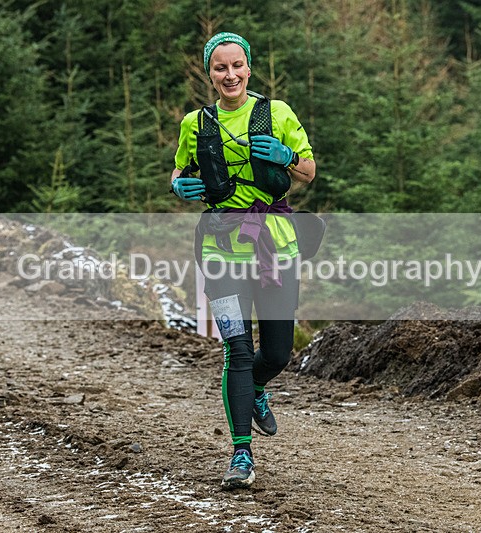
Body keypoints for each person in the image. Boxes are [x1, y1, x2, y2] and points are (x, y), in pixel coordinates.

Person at [169, 32, 315, 489]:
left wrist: (288, 155)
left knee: (276, 352)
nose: (229, 75)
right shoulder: (196, 122)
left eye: (237, 66)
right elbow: (181, 167)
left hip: (274, 245)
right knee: (237, 349)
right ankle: (241, 455)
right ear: (209, 74)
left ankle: (254, 390)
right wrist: (178, 185)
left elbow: (308, 171)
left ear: (249, 68)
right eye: (220, 68)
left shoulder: (278, 113)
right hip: (219, 249)